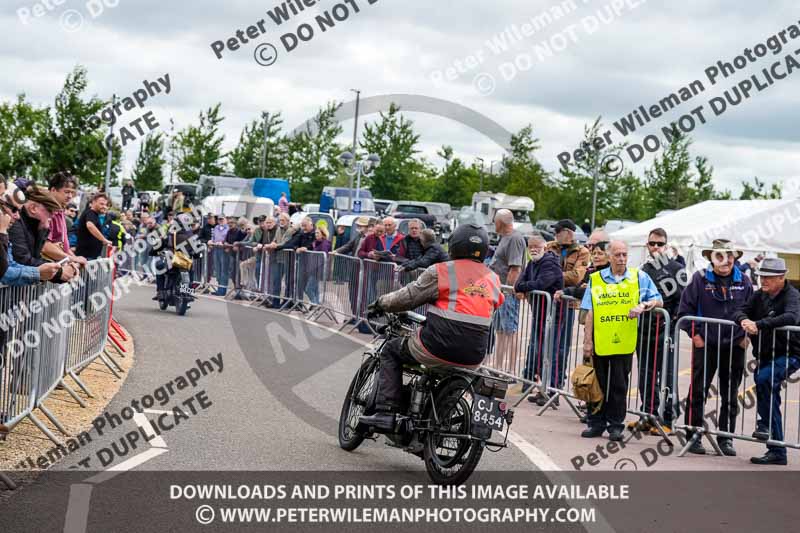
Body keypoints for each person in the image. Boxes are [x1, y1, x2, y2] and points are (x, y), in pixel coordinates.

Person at [358, 224, 504, 431]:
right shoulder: (493, 278)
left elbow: (408, 297)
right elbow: (495, 304)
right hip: (474, 355)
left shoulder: (442, 270)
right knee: (447, 369)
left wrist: (381, 303)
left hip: (436, 346)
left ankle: (385, 412)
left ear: (454, 246)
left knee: (391, 350)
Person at [581, 240, 663, 442]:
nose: (621, 258)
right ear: (609, 256)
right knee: (597, 384)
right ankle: (596, 423)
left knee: (619, 385)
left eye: (624, 255)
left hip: (624, 342)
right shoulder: (596, 279)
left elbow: (658, 299)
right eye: (617, 255)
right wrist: (587, 341)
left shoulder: (638, 277)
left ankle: (615, 425)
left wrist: (644, 305)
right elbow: (589, 311)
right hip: (600, 341)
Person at [678, 239, 754, 456]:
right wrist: (696, 335)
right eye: (720, 255)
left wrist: (746, 337)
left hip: (734, 347)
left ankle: (726, 438)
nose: (726, 260)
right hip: (706, 346)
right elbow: (684, 312)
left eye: (730, 255)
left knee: (730, 395)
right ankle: (693, 435)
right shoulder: (699, 280)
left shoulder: (745, 281)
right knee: (698, 391)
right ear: (711, 258)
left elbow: (754, 313)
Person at [734, 258, 800, 465]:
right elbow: (739, 310)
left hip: (791, 353)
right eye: (762, 276)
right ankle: (777, 450)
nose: (764, 280)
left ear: (782, 277)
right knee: (768, 393)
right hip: (764, 354)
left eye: (769, 277)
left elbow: (791, 317)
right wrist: (743, 320)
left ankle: (765, 426)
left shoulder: (792, 295)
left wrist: (759, 324)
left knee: (764, 378)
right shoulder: (759, 295)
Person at [632, 228, 685, 434]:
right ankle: (649, 415)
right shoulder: (643, 268)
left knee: (667, 376)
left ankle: (668, 420)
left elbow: (682, 301)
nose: (655, 247)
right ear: (647, 245)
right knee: (645, 375)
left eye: (659, 244)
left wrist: (670, 322)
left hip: (666, 331)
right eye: (652, 243)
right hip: (644, 329)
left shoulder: (676, 267)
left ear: (666, 246)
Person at [514, 233, 563, 396]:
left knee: (550, 353)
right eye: (530, 246)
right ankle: (536, 386)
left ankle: (551, 391)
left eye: (536, 246)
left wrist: (524, 287)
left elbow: (542, 284)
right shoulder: (532, 263)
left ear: (545, 247)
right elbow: (518, 283)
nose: (533, 249)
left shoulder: (549, 262)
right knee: (537, 349)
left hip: (553, 316)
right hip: (539, 314)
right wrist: (524, 287)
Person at [546, 219, 590, 398]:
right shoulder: (549, 246)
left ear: (569, 233)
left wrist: (551, 277)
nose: (555, 234)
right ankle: (539, 382)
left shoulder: (583, 252)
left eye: (559, 231)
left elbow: (576, 277)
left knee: (560, 347)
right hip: (548, 303)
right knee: (544, 345)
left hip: (568, 305)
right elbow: (538, 269)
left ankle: (554, 386)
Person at [8, 186, 79, 282]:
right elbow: (21, 259)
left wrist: (60, 266)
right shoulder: (15, 224)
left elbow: (35, 257)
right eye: (49, 213)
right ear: (33, 208)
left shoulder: (37, 225)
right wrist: (59, 272)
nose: (51, 218)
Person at [0, 180, 60, 285]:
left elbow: (10, 265)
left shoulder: (6, 228)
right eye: (14, 209)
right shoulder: (9, 228)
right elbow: (4, 273)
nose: (17, 216)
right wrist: (39, 273)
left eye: (19, 210)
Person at [489, 209, 527, 373]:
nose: (493, 224)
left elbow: (515, 269)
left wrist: (507, 291)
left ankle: (510, 370)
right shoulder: (505, 238)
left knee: (510, 331)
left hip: (508, 293)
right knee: (500, 330)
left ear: (500, 222)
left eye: (494, 221)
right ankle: (498, 367)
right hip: (500, 291)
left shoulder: (515, 239)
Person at [42, 172, 87, 267]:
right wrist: (72, 259)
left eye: (72, 192)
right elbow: (45, 246)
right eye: (66, 192)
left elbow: (64, 246)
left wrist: (74, 260)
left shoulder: (60, 210)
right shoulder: (46, 210)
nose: (70, 196)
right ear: (53, 190)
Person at [76, 193, 112, 260]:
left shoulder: (94, 214)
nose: (104, 206)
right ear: (93, 202)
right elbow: (90, 225)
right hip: (86, 256)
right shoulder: (90, 213)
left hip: (90, 256)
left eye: (106, 205)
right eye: (101, 204)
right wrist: (104, 240)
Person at [209, 215, 229, 296]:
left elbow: (228, 238)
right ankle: (219, 288)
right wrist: (211, 241)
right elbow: (213, 237)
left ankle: (222, 290)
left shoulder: (228, 228)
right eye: (219, 219)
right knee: (217, 269)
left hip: (223, 249)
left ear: (225, 219)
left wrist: (223, 242)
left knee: (223, 270)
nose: (220, 220)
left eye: (222, 219)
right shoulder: (216, 227)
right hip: (216, 249)